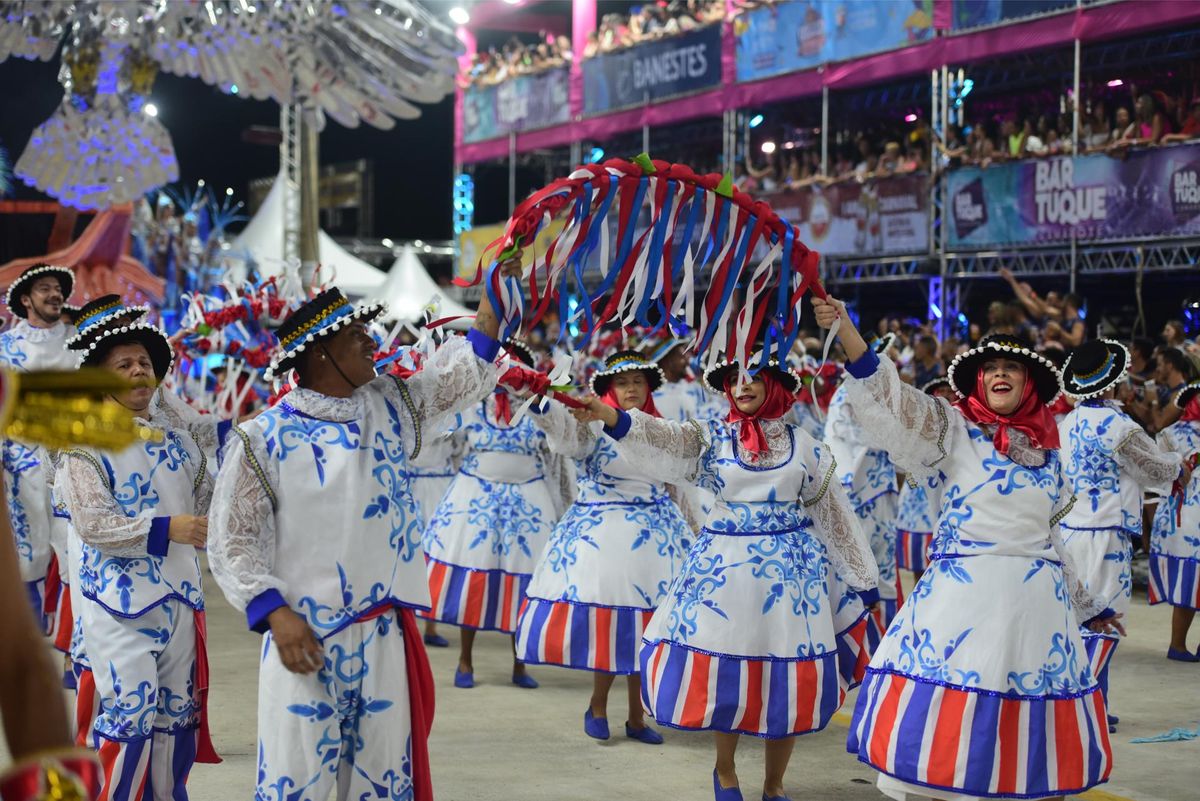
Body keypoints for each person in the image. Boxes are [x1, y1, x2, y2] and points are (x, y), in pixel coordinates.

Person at [208, 261, 518, 801]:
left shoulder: (391, 406)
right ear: (319, 353)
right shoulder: (264, 437)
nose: (372, 342)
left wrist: (494, 292)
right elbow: (232, 540)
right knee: (299, 779)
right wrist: (274, 615)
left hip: (380, 635)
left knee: (380, 777)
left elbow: (465, 375)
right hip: (303, 636)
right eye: (357, 337)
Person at [813, 296, 1122, 801]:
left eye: (1011, 368)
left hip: (1036, 616)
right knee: (954, 750)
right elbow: (891, 398)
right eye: (992, 368)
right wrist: (847, 328)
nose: (1000, 375)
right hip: (964, 608)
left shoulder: (1049, 457)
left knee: (1026, 751)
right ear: (978, 381)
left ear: (1029, 383)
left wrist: (1088, 607)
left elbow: (1052, 543)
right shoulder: (952, 431)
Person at [574, 351, 880, 801]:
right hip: (724, 574)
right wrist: (612, 417)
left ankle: (774, 785)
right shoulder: (711, 440)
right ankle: (726, 772)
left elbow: (834, 512)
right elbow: (665, 439)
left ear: (775, 385)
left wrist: (861, 577)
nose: (742, 386)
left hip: (789, 581)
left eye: (754, 377)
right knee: (726, 673)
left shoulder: (807, 445)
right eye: (734, 379)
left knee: (784, 681)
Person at [59, 297, 219, 800]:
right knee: (130, 716)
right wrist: (170, 528)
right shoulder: (82, 442)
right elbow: (94, 525)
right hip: (117, 605)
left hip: (178, 598)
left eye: (144, 364)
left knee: (175, 719)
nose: (137, 373)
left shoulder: (177, 440)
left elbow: (208, 502)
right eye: (123, 364)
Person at [515, 351, 691, 746]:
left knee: (646, 627)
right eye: (623, 382)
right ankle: (596, 705)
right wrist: (543, 402)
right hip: (605, 535)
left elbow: (676, 483)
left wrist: (692, 531)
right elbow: (564, 436)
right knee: (611, 623)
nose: (631, 389)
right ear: (609, 389)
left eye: (638, 382)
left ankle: (636, 717)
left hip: (655, 535)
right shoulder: (591, 426)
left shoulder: (662, 429)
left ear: (649, 388)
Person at [422, 338, 565, 689]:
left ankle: (520, 665)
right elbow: (448, 444)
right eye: (502, 367)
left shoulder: (539, 412)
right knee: (475, 576)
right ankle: (465, 661)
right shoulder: (472, 408)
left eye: (515, 369)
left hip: (527, 504)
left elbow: (558, 454)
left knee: (524, 583)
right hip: (476, 500)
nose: (507, 375)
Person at [1058, 340, 1184, 723]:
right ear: (1113, 382)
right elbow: (1157, 470)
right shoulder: (1119, 426)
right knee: (1104, 616)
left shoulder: (1067, 424)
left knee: (1075, 617)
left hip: (1068, 529)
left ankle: (1089, 704)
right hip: (1105, 532)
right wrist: (1178, 459)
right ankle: (1087, 707)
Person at [0, 264, 79, 629]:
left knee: (72, 542)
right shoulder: (6, 347)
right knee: (28, 538)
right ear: (25, 299)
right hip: (23, 459)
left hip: (75, 457)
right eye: (44, 288)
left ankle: (70, 638)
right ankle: (30, 624)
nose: (54, 294)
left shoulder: (81, 341)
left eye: (57, 288)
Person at [825, 335, 902, 628]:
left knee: (882, 560)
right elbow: (852, 436)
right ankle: (862, 634)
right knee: (863, 562)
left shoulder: (874, 395)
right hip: (857, 489)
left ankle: (884, 633)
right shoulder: (849, 393)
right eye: (887, 361)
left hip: (878, 487)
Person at [1148, 381, 1200, 661]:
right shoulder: (1171, 435)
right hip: (1186, 516)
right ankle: (1177, 645)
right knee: (1190, 581)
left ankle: (1179, 645)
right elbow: (1159, 479)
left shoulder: (1169, 435)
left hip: (1182, 517)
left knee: (1191, 581)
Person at [894, 377, 955, 585]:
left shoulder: (966, 430)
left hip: (947, 502)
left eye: (950, 391)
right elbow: (900, 463)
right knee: (918, 566)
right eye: (941, 391)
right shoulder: (917, 428)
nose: (946, 395)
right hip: (916, 504)